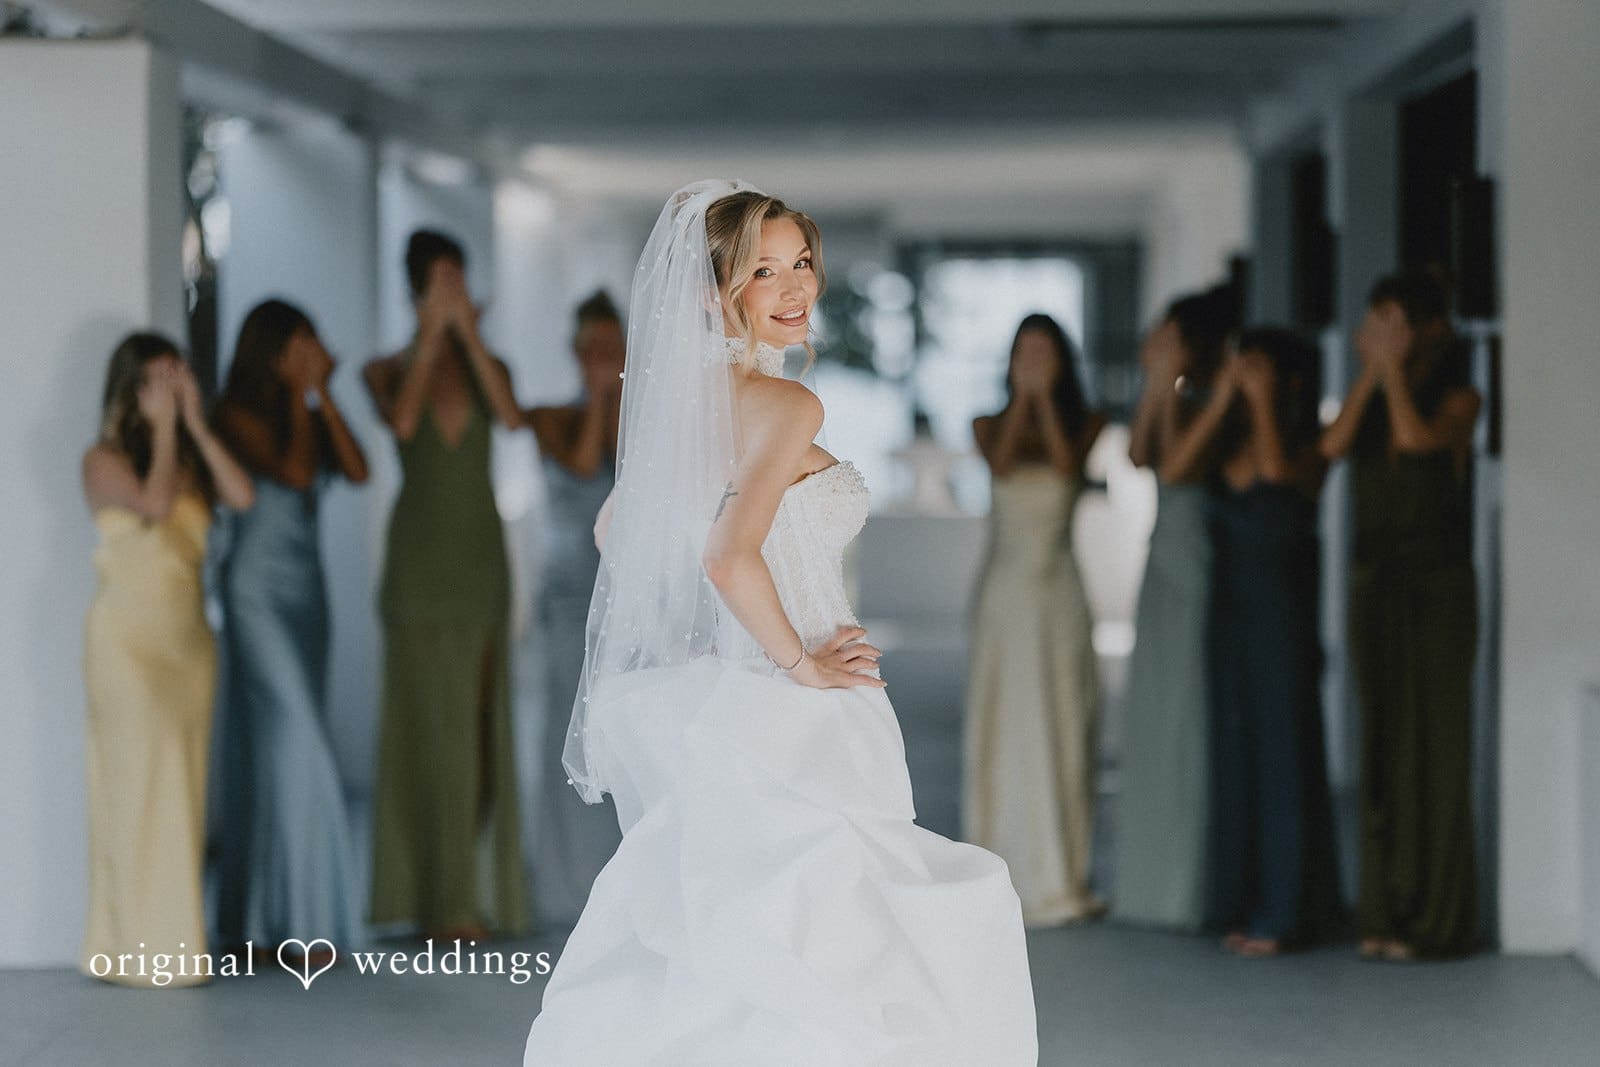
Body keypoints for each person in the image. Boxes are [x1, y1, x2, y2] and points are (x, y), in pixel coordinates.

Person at [523, 181, 1037, 1064]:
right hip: (802, 707)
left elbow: (620, 533)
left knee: (745, 945)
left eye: (802, 263)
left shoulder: (685, 414)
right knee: (851, 936)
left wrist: (730, 646)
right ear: (717, 291)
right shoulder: (790, 407)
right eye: (766, 271)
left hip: (735, 698)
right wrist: (799, 661)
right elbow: (728, 556)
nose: (796, 287)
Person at [363, 230, 527, 939]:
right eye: (439, 282)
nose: (453, 293)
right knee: (423, 729)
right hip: (417, 568)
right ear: (415, 290)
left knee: (481, 726)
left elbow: (513, 417)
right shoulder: (383, 369)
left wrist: (466, 336)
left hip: (479, 563)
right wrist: (433, 336)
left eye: (459, 279)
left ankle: (477, 891)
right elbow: (401, 421)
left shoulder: (492, 366)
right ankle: (430, 898)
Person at [80, 333, 254, 987]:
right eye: (159, 378)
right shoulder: (100, 460)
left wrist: (193, 427)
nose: (172, 387)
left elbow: (243, 496)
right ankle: (126, 946)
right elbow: (152, 506)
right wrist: (159, 430)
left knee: (182, 788)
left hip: (187, 643)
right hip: (124, 641)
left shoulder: (192, 457)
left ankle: (178, 942)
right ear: (132, 387)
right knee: (131, 784)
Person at [1163, 326, 1342, 956]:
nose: (1243, 376)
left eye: (1257, 368)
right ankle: (1236, 902)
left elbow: (1275, 478)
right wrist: (1223, 400)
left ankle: (1285, 912)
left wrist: (1263, 400)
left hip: (1282, 618)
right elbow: (1176, 467)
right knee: (1234, 753)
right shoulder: (1221, 440)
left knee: (1283, 756)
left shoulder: (1309, 444)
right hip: (1227, 615)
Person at [1321, 271, 1482, 960]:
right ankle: (1383, 912)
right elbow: (1330, 449)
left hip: (1437, 589)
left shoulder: (1459, 397)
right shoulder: (1370, 398)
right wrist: (1371, 375)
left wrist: (1390, 371)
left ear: (1418, 328)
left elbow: (1420, 441)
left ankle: (1436, 920)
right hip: (1374, 585)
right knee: (1382, 744)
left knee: (1435, 749)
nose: (1372, 333)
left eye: (1386, 319)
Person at [209, 300, 369, 964]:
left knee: (279, 749)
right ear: (272, 351)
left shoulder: (307, 411)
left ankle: (267, 918)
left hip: (308, 595)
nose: (314, 347)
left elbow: (359, 471)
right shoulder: (234, 415)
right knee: (298, 740)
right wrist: (309, 393)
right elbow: (296, 473)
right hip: (255, 591)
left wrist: (323, 396)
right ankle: (306, 920)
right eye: (301, 341)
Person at [965, 313, 1106, 927]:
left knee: (1062, 727)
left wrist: (1046, 398)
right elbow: (1000, 464)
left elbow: (1065, 465)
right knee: (1002, 727)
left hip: (1057, 597)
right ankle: (999, 868)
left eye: (1045, 351)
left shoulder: (1088, 423)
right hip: (1003, 595)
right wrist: (1025, 397)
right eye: (1025, 349)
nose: (1034, 358)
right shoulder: (987, 424)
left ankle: (1060, 874)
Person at [1113, 286, 1235, 931]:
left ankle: (1195, 877)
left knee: (1190, 707)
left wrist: (1164, 377)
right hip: (1165, 557)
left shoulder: (1220, 400)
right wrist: (1159, 382)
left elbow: (1181, 466)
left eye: (1166, 336)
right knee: (1161, 704)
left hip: (1202, 562)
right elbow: (1139, 454)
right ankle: (1161, 878)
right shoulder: (1182, 395)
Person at [522, 291, 625, 927]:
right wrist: (598, 398)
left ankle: (620, 881)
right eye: (592, 348)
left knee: (623, 735)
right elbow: (586, 462)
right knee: (568, 733)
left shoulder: (646, 424)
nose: (603, 359)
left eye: (612, 347)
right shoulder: (552, 418)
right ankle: (567, 887)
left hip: (628, 599)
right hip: (567, 596)